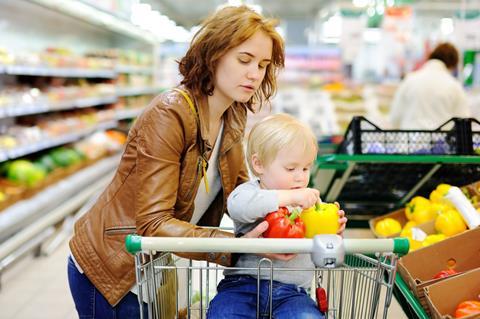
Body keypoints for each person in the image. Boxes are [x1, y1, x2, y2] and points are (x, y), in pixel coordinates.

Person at [68, 5, 286, 318]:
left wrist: (288, 215)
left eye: (263, 65)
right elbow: (153, 225)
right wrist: (235, 245)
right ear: (213, 55)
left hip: (157, 267)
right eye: (244, 59)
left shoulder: (232, 114)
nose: (255, 73)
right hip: (113, 271)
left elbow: (240, 195)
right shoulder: (170, 114)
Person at [207, 113, 348, 319]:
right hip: (241, 287)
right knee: (224, 315)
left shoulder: (309, 206)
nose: (300, 176)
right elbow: (238, 207)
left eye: (306, 168)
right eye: (291, 168)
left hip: (293, 293)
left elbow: (319, 259)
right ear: (259, 165)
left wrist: (331, 236)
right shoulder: (248, 193)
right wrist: (288, 196)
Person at [389, 42, 471, 130]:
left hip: (410, 140)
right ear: (452, 65)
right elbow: (463, 121)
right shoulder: (454, 86)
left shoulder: (410, 80)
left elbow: (395, 117)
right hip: (442, 142)